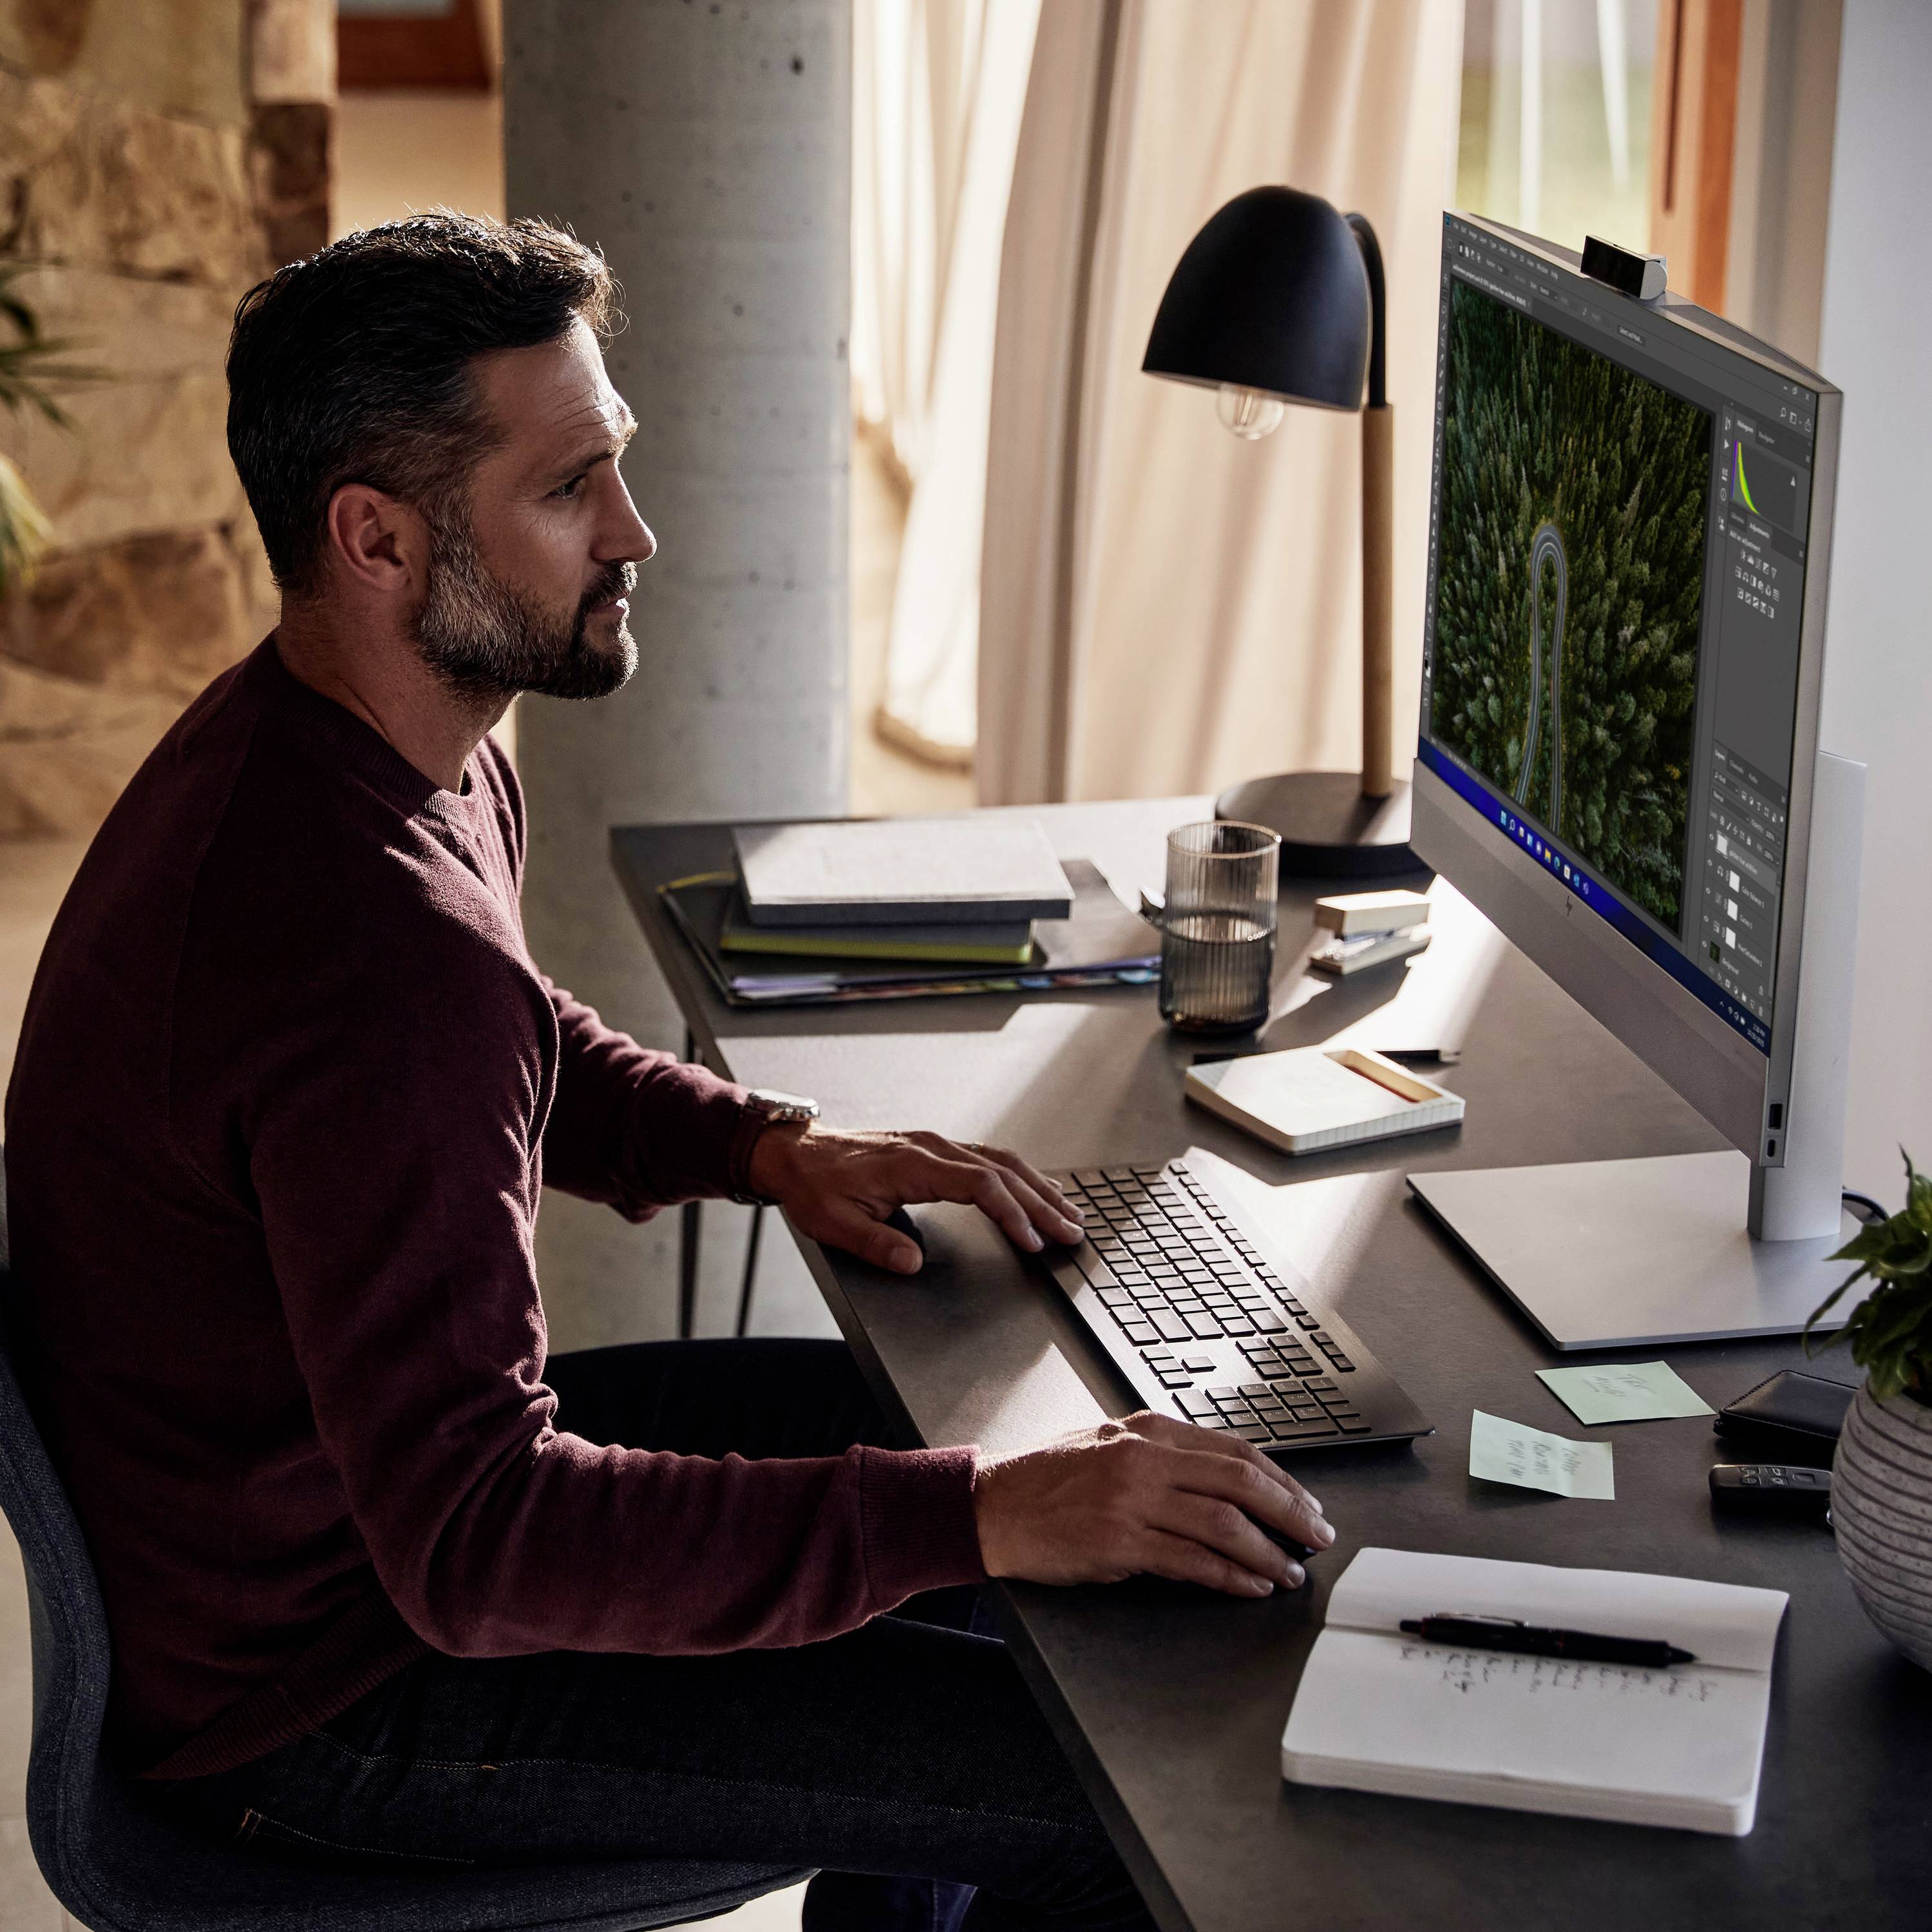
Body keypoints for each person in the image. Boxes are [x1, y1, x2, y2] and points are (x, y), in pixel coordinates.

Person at [1, 213, 1332, 1929]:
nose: (638, 531)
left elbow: (509, 1029)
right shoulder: (364, 947)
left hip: (322, 1540)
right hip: (335, 1702)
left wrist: (767, 1145)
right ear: (379, 539)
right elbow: (484, 1544)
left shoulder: (344, 744)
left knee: (949, 1444)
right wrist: (984, 1521)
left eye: (615, 465)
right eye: (571, 492)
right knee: (1121, 1791)